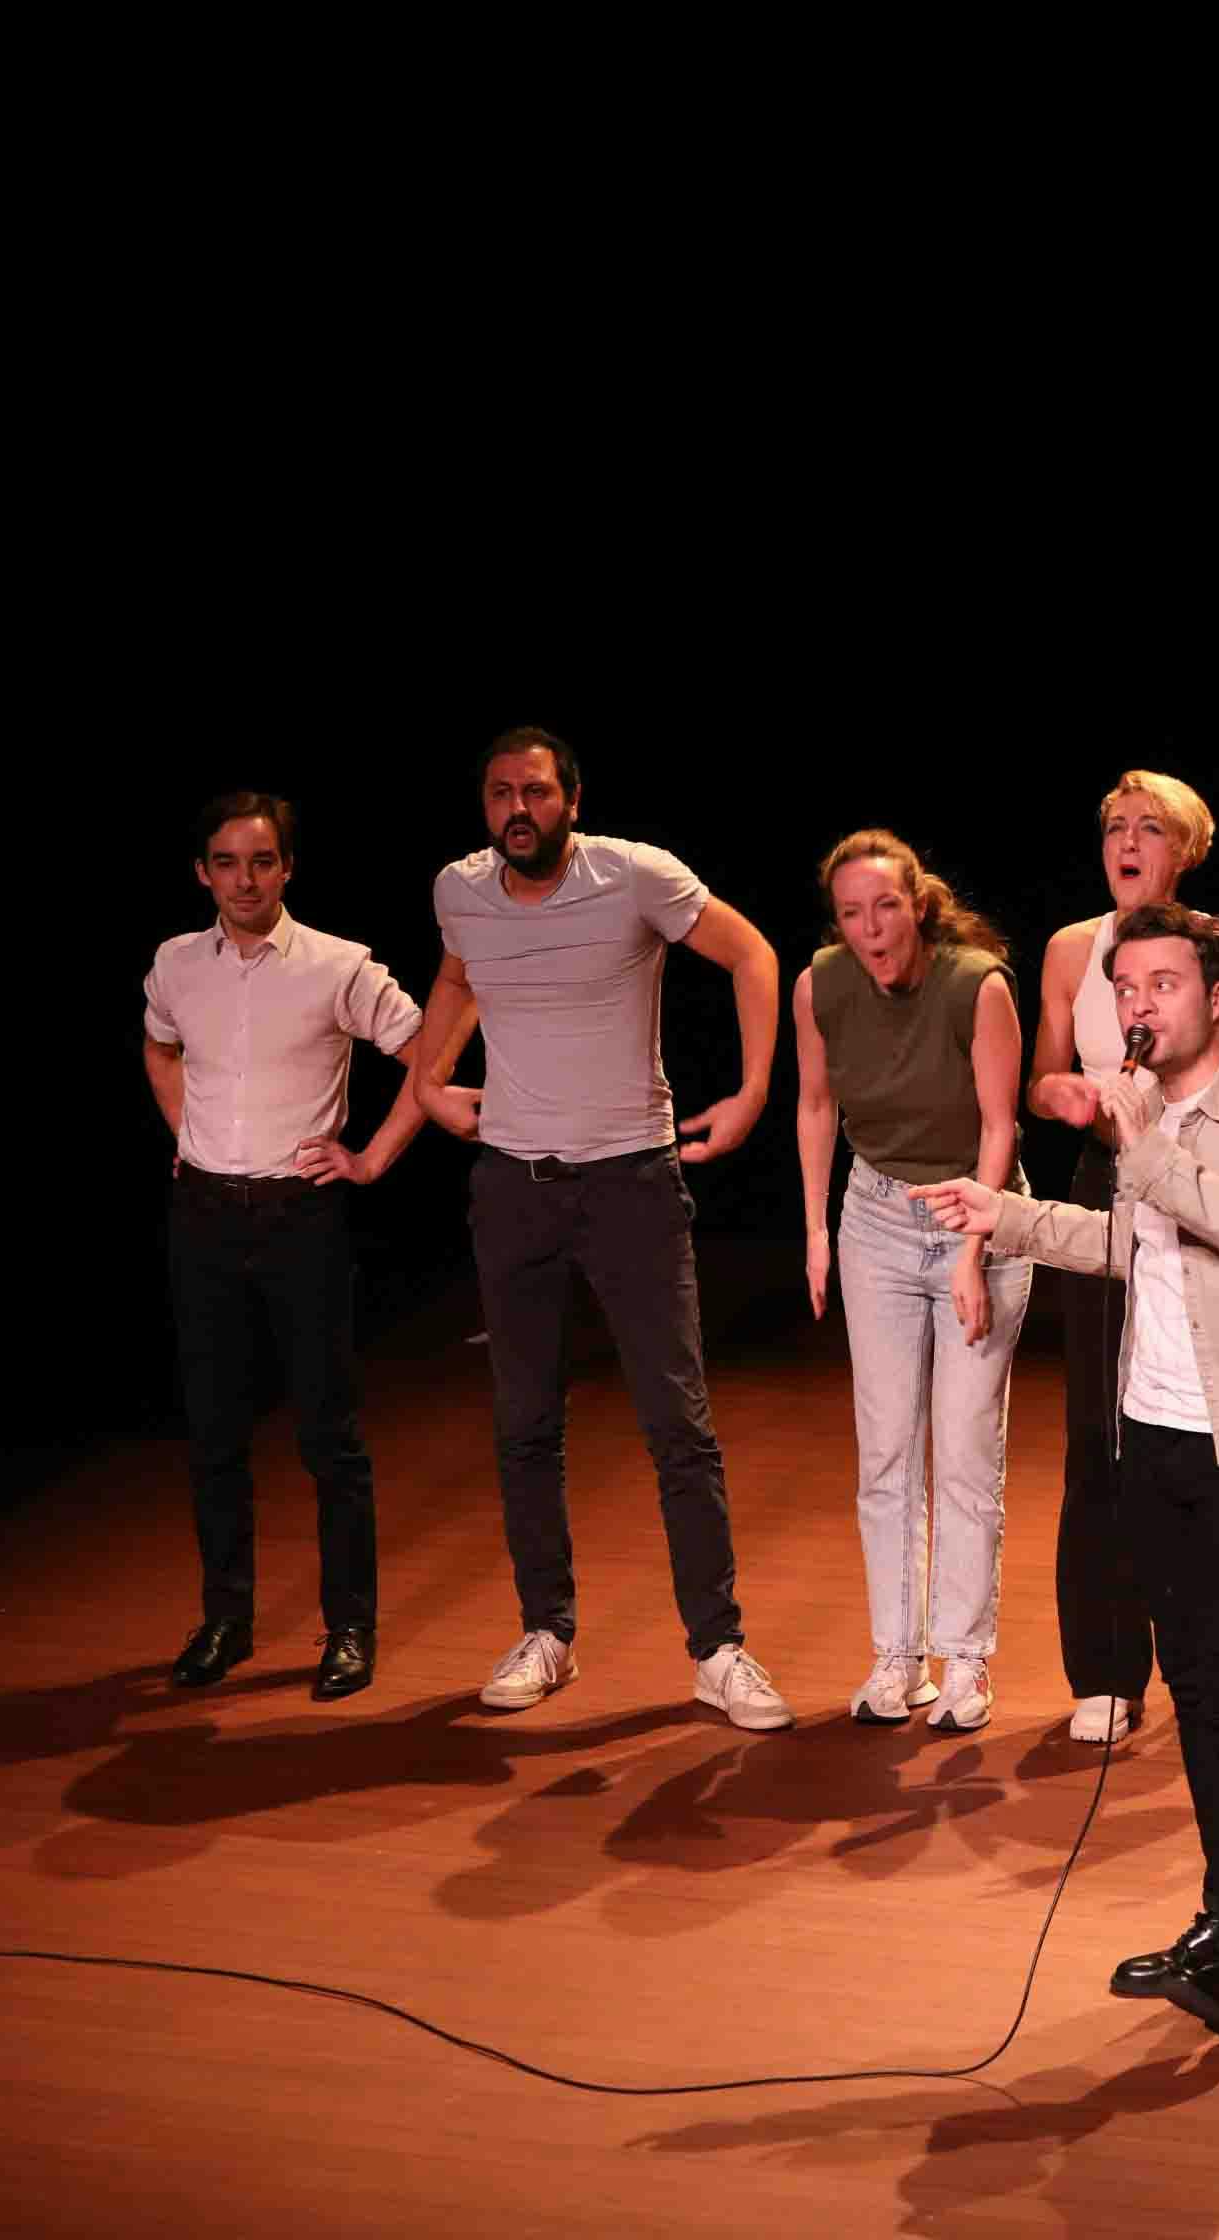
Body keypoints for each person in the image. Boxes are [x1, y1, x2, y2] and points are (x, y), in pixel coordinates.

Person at [919, 902, 1219, 2051]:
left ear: (1215, 994)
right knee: (1197, 1694)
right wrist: (1006, 1216)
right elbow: (1130, 1246)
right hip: (1150, 1436)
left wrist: (1145, 1139)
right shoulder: (1143, 1118)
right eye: (1129, 987)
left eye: (1165, 982)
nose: (1143, 1004)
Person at [404, 726, 795, 1728]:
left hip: (630, 1180)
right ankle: (548, 1630)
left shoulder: (636, 877)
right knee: (524, 1419)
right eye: (499, 794)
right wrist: (428, 1077)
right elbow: (458, 976)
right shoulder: (462, 890)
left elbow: (751, 951)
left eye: (535, 791)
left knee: (677, 1421)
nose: (516, 810)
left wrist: (752, 1091)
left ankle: (717, 1646)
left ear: (572, 798)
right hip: (515, 1185)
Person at [141, 792, 439, 1702]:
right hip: (201, 1216)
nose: (244, 878)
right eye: (226, 862)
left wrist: (372, 1157)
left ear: (288, 869)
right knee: (214, 1434)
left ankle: (349, 1628)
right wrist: (189, 1135)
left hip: (298, 1218)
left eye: (262, 861)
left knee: (328, 1436)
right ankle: (226, 1618)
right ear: (202, 871)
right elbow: (159, 1046)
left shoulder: (336, 966)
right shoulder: (175, 963)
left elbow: (430, 1049)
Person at [1024, 771, 1219, 1742]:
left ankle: (1215, 1659)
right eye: (1114, 827)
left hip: (1205, 1183)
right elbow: (1043, 1071)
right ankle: (1103, 1668)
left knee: (1205, 1429)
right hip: (1109, 1181)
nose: (1127, 840)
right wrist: (1062, 1097)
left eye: (1150, 827)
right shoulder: (1068, 950)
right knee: (1099, 1428)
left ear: (1186, 850)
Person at [794, 829, 1036, 1732]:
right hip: (877, 1219)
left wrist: (973, 1251)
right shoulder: (819, 984)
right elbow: (817, 1103)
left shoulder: (977, 984)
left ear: (918, 905)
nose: (871, 929)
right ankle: (899, 1655)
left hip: (974, 1213)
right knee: (886, 1452)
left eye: (886, 907)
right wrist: (818, 1231)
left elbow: (1000, 1125)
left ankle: (967, 1659)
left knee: (967, 1452)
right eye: (852, 913)